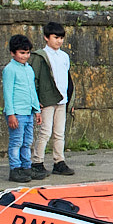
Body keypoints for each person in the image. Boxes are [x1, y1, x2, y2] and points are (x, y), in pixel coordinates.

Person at [30, 22, 75, 179]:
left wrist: (71, 101)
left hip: (62, 100)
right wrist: (37, 100)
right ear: (46, 37)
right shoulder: (40, 56)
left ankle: (59, 161)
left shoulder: (64, 56)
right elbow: (34, 79)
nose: (59, 41)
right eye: (56, 37)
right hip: (47, 100)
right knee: (45, 132)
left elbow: (68, 80)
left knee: (59, 133)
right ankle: (37, 161)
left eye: (61, 38)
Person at [2, 34, 38, 182]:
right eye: (22, 53)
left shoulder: (29, 69)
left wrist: (37, 110)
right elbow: (7, 92)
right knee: (16, 141)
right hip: (17, 112)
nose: (25, 56)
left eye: (27, 53)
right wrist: (11, 114)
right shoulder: (10, 69)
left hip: (28, 111)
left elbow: (32, 91)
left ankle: (26, 167)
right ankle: (15, 168)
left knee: (27, 141)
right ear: (13, 53)